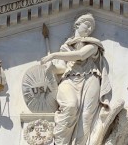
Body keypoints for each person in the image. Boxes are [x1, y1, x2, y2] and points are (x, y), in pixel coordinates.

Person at [41, 13, 111, 145]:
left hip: (90, 78)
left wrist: (54, 55)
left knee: (86, 118)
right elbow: (62, 67)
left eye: (92, 27)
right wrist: (52, 67)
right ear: (77, 25)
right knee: (70, 105)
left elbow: (80, 55)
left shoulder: (93, 44)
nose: (90, 29)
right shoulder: (65, 47)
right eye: (88, 25)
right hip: (69, 78)